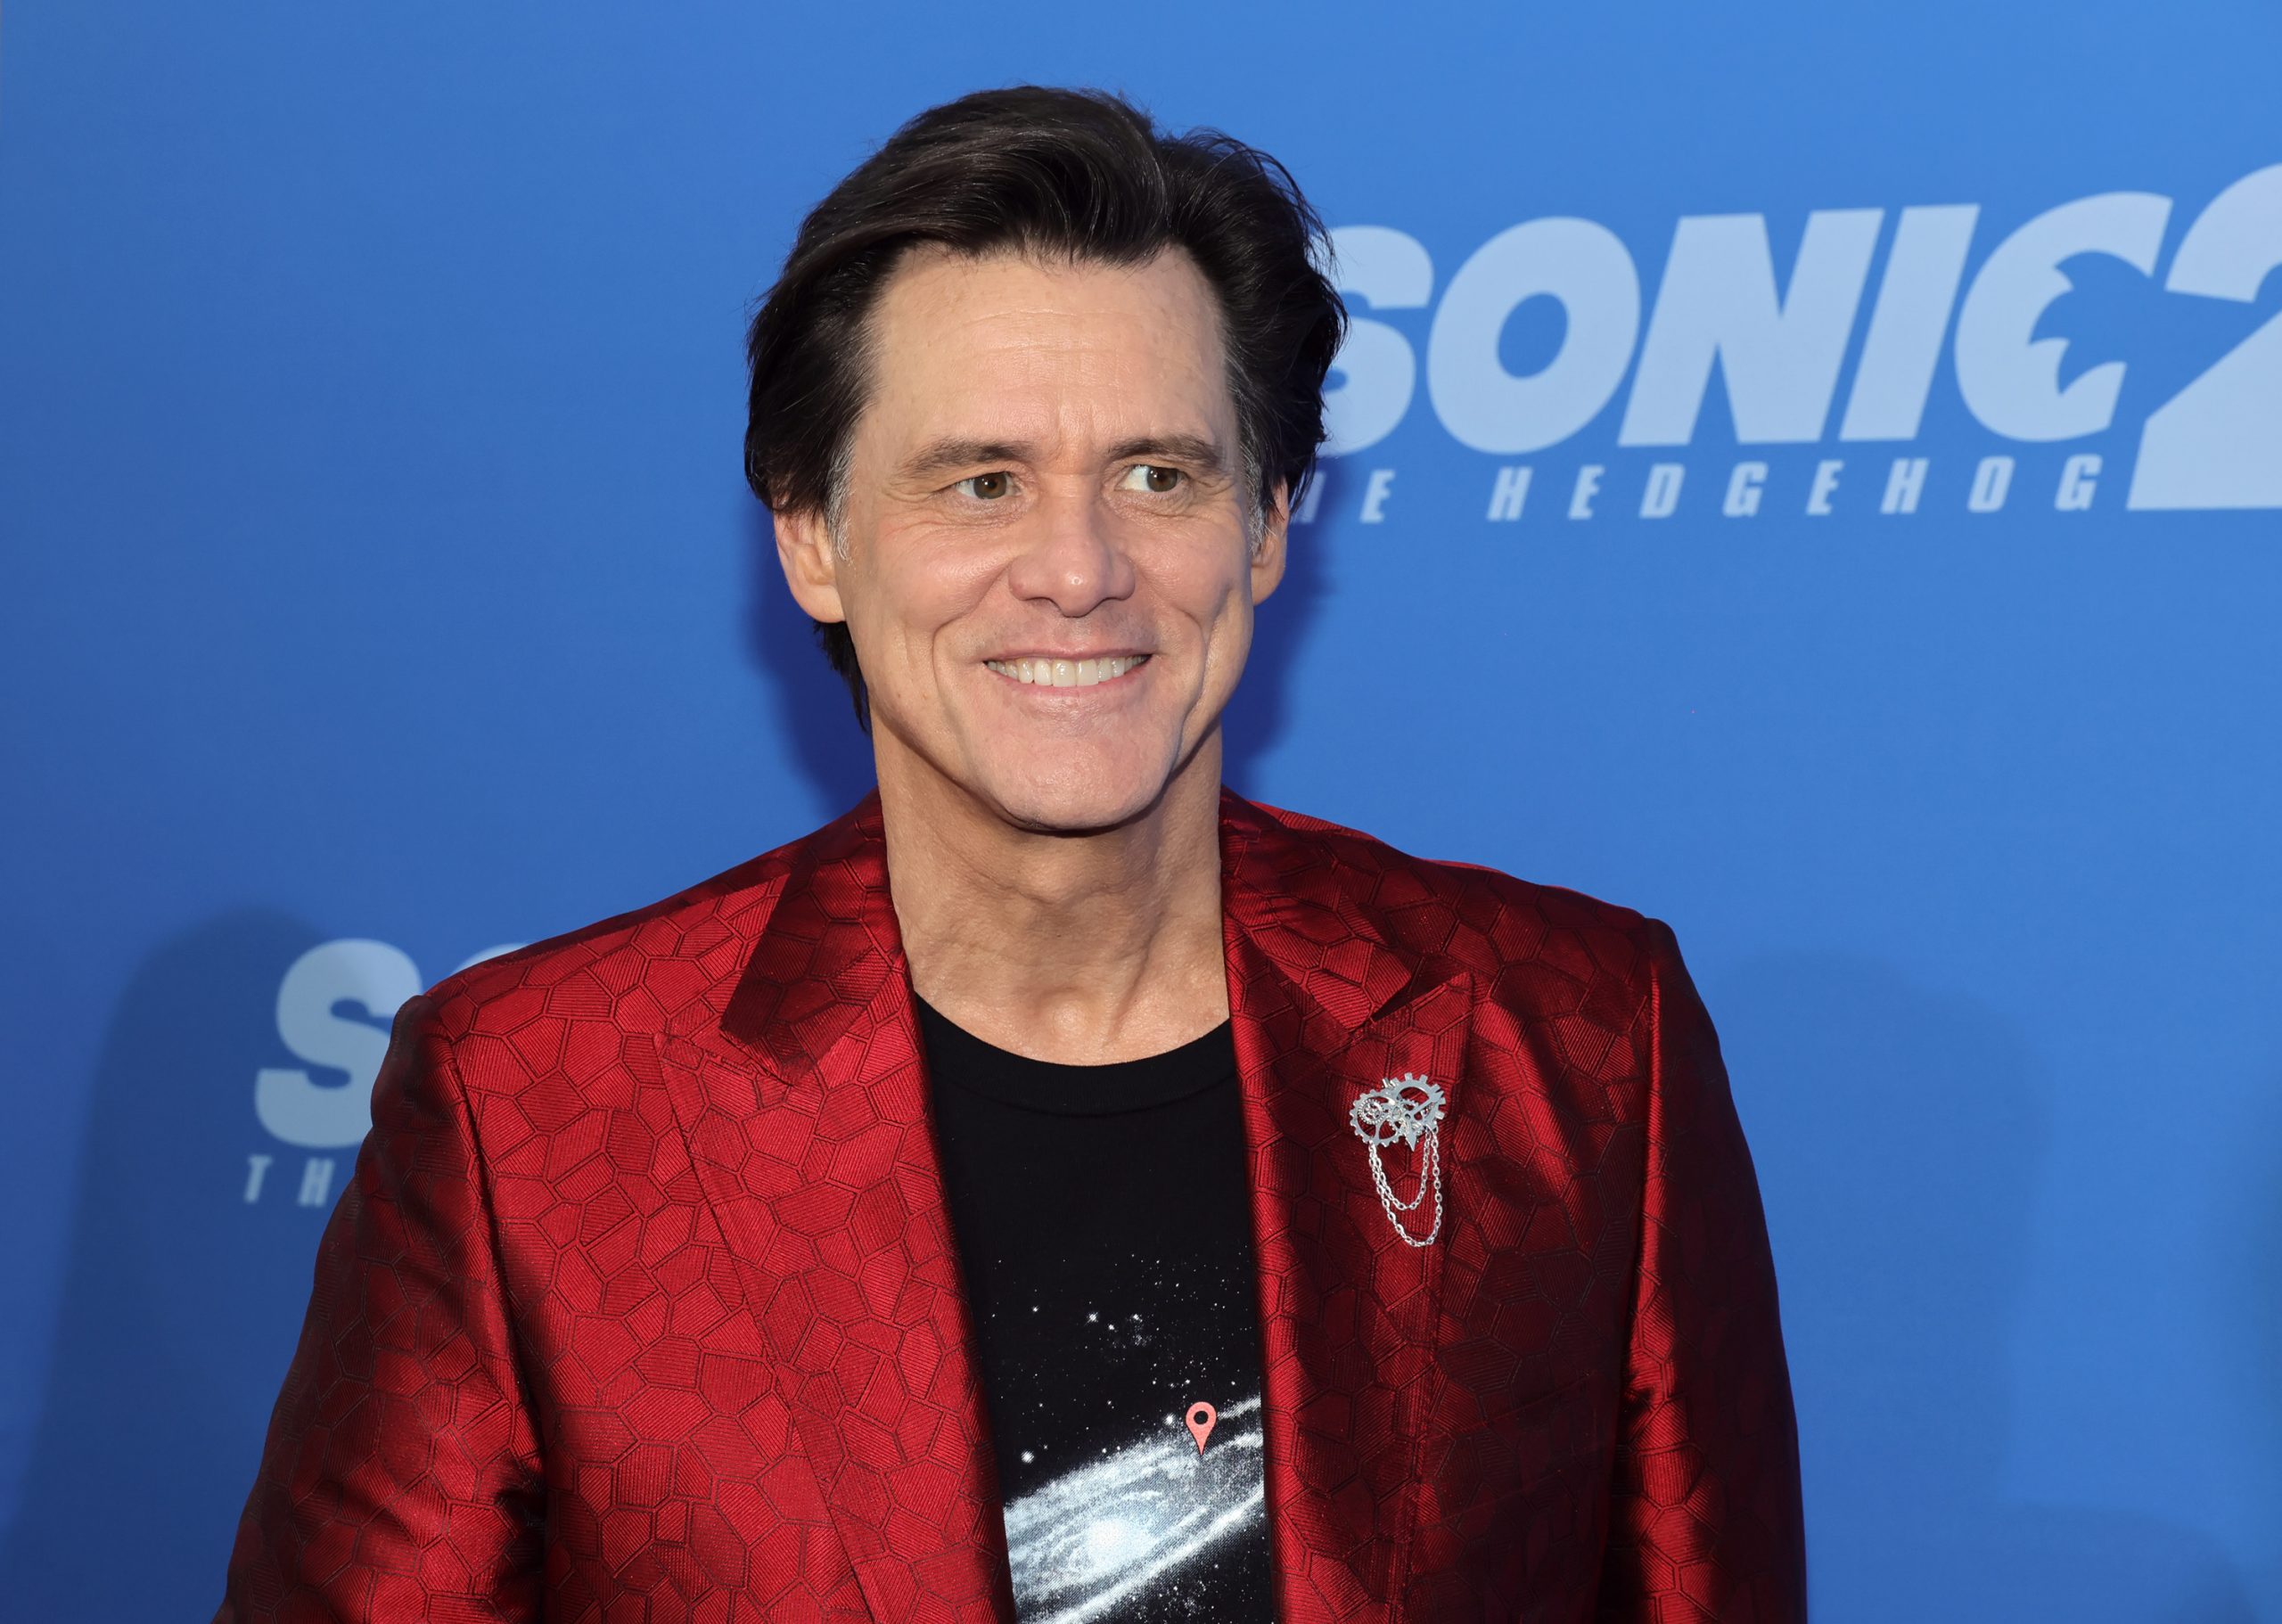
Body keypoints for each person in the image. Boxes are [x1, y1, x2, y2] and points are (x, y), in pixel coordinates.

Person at [217, 85, 1805, 1624]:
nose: (1077, 567)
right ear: (814, 536)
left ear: (1267, 525)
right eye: (983, 483)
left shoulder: (1576, 1045)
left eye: (1158, 476)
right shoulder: (529, 1109)